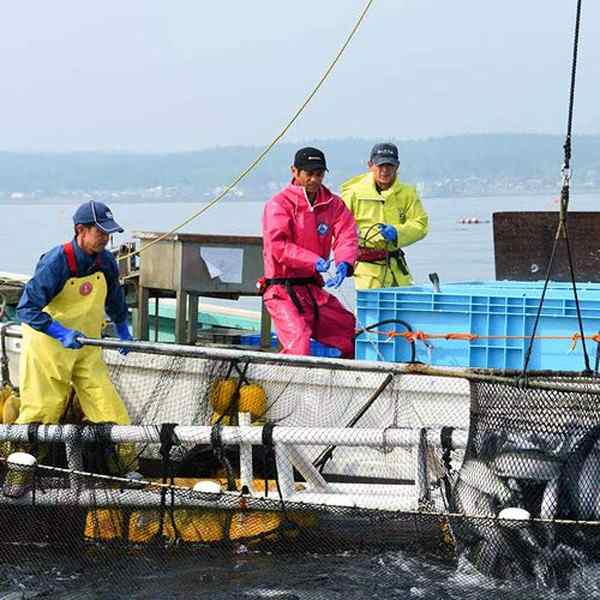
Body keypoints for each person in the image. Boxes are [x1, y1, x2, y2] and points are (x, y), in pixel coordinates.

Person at [15, 201, 137, 474]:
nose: (106, 238)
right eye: (100, 232)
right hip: (48, 348)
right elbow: (26, 309)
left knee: (112, 412)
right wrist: (60, 332)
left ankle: (126, 470)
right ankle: (21, 473)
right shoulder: (56, 262)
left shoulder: (105, 261)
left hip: (87, 348)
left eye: (109, 233)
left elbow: (114, 297)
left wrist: (122, 328)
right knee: (41, 413)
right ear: (80, 230)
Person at [261, 147, 358, 358]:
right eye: (309, 173)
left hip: (312, 290)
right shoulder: (279, 204)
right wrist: (313, 260)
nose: (314, 179)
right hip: (282, 291)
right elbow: (278, 246)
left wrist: (345, 263)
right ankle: (286, 385)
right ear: (294, 171)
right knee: (299, 345)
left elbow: (347, 235)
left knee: (350, 333)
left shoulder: (334, 204)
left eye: (319, 174)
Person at [341, 142, 428, 289]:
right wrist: (343, 259)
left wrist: (397, 232)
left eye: (390, 165)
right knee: (371, 310)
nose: (385, 170)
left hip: (397, 268)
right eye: (380, 165)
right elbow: (339, 229)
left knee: (404, 309)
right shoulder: (353, 193)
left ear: (397, 166)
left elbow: (420, 225)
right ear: (370, 165)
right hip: (367, 270)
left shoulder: (408, 193)